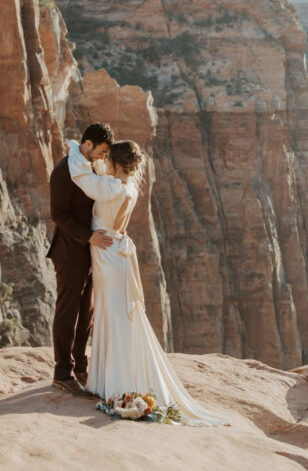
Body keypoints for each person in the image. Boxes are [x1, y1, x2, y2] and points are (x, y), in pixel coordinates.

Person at [66, 138, 229, 426]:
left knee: (112, 315)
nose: (103, 162)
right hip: (116, 253)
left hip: (107, 256)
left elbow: (83, 178)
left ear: (115, 162)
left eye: (108, 159)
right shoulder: (128, 187)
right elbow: (99, 177)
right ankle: (112, 379)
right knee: (116, 315)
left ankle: (111, 384)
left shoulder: (111, 187)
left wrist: (74, 148)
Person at [47, 122, 115, 396]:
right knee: (67, 312)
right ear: (87, 144)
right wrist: (88, 236)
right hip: (69, 252)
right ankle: (62, 372)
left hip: (90, 253)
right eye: (101, 151)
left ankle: (81, 367)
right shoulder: (64, 172)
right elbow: (59, 215)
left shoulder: (86, 165)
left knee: (86, 312)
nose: (103, 157)